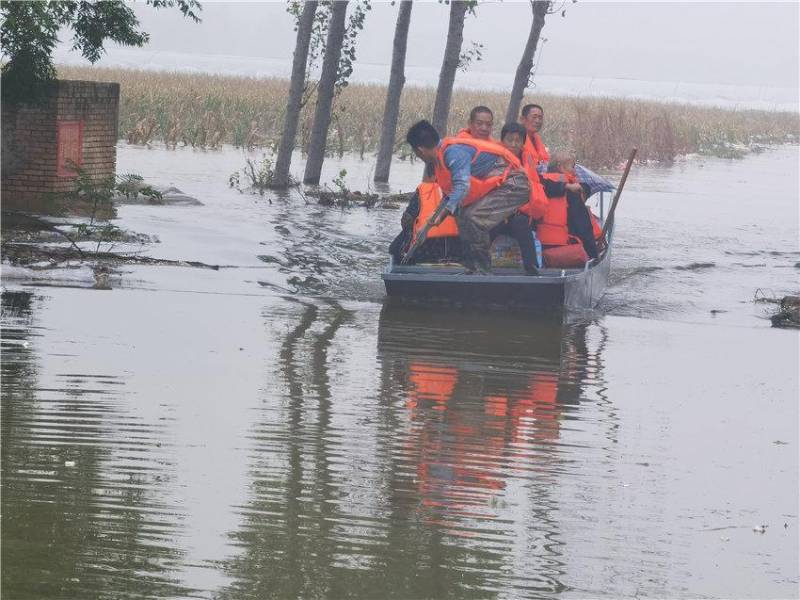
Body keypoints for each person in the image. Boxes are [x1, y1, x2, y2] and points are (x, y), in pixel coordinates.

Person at [406, 120, 530, 274]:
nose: (418, 157)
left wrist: (443, 214)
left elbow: (462, 187)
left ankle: (482, 271)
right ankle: (471, 267)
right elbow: (450, 196)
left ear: (421, 150)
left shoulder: (453, 153)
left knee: (473, 218)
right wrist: (428, 225)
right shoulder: (439, 159)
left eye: (417, 154)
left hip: (514, 185)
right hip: (501, 185)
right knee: (462, 216)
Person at [489, 122, 541, 274]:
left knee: (521, 223)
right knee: (488, 225)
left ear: (523, 142)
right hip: (496, 212)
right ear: (502, 140)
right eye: (509, 140)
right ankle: (478, 264)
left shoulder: (528, 161)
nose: (513, 144)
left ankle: (531, 266)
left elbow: (534, 188)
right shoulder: (492, 158)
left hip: (519, 213)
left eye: (517, 140)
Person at [538, 152, 599, 259]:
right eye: (572, 166)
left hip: (540, 246)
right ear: (561, 167)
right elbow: (583, 227)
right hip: (565, 247)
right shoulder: (572, 191)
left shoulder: (539, 185)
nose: (574, 170)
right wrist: (594, 254)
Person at [520, 103, 550, 171]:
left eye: (540, 118)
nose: (537, 121)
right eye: (534, 117)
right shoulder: (516, 140)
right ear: (522, 119)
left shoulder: (536, 139)